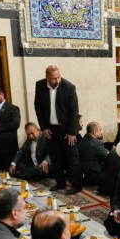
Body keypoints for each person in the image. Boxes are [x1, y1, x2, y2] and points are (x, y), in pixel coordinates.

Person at [34, 65, 81, 194]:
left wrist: (72, 132)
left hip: (66, 130)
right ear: (47, 77)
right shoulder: (39, 85)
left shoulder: (69, 87)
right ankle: (60, 183)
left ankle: (77, 185)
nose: (57, 80)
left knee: (72, 158)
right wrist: (43, 127)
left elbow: (74, 111)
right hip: (50, 129)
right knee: (55, 158)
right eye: (54, 78)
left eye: (59, 77)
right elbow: (38, 108)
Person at [77, 121, 108, 187]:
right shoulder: (97, 143)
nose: (101, 132)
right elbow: (107, 158)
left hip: (82, 175)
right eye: (100, 130)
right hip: (93, 177)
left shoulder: (82, 140)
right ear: (95, 133)